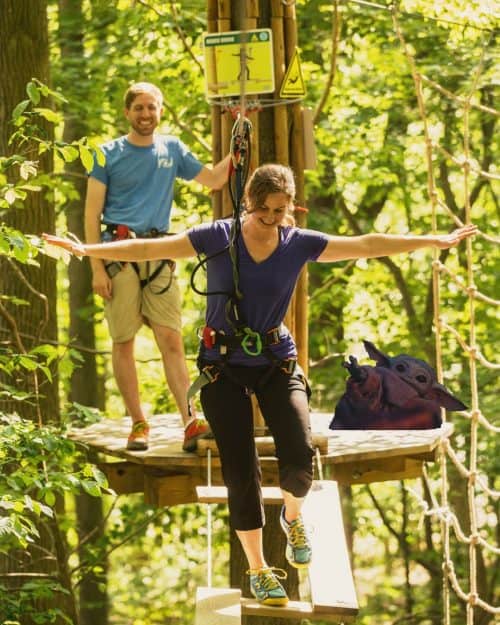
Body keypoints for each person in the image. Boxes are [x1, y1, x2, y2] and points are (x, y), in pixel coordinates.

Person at [45, 163, 477, 606]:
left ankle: (292, 518)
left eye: (280, 211)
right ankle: (258, 569)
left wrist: (432, 240)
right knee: (240, 468)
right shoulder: (219, 236)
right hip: (223, 365)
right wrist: (87, 251)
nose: (272, 220)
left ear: (291, 207)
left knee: (297, 454)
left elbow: (365, 245)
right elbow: (155, 246)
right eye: (264, 211)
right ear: (250, 203)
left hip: (276, 361)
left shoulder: (298, 244)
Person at [85, 81, 231, 451]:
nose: (146, 114)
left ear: (160, 111)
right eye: (139, 108)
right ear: (127, 112)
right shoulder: (106, 154)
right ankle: (138, 424)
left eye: (152, 108)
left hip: (159, 252)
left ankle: (190, 419)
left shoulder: (172, 150)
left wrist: (239, 136)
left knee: (170, 338)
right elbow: (91, 214)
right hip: (119, 253)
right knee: (124, 340)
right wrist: (97, 268)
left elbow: (214, 179)